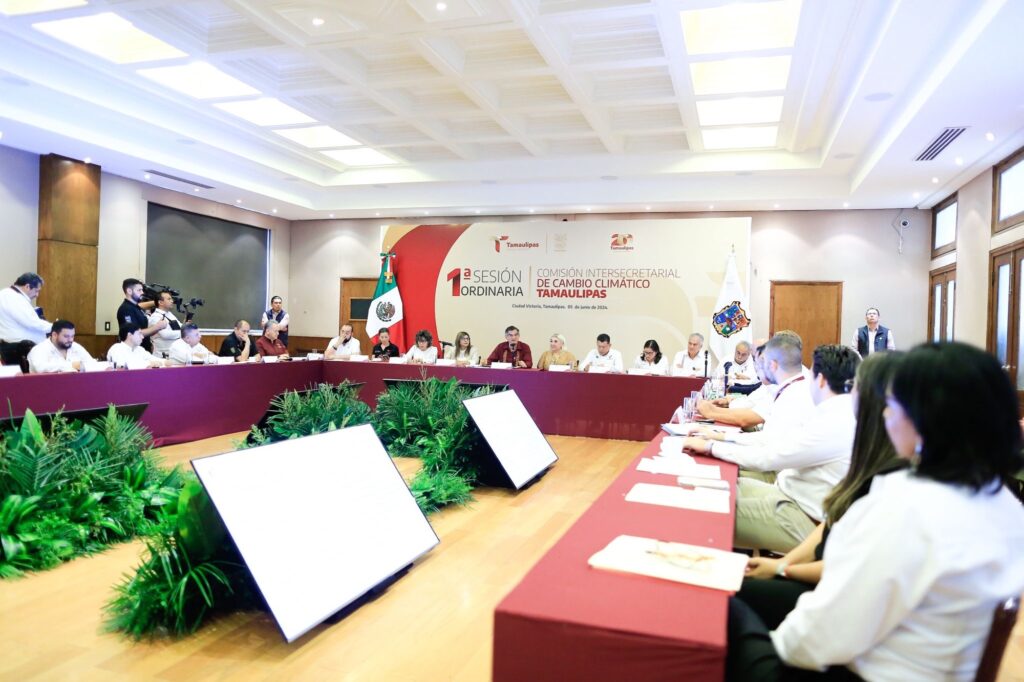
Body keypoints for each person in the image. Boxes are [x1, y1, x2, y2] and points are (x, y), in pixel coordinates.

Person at [728, 342, 1024, 681]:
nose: (885, 414)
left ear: (925, 420)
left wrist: (771, 633)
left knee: (721, 604)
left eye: (893, 405)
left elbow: (811, 641)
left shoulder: (906, 504)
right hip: (932, 666)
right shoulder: (1007, 506)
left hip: (864, 669)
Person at [735, 352, 906, 630]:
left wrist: (784, 569)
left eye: (855, 387)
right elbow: (831, 526)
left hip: (838, 604)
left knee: (731, 597)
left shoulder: (893, 474)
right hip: (822, 571)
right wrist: (782, 566)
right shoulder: (870, 449)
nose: (850, 395)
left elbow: (850, 569)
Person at [685, 340, 856, 552]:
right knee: (716, 485)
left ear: (820, 380)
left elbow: (770, 456)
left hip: (802, 515)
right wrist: (717, 440)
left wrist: (711, 447)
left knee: (707, 508)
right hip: (790, 494)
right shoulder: (837, 412)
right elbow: (774, 442)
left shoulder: (832, 420)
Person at [0, 272, 53, 371]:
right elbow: (31, 322)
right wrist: (54, 327)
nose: (37, 295)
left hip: (13, 347)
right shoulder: (13, 297)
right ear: (27, 286)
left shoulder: (6, 294)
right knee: (25, 379)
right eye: (36, 291)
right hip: (20, 349)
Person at [27, 319, 93, 373]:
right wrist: (71, 365)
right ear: (54, 335)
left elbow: (92, 364)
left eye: (72, 336)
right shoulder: (39, 349)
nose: (70, 340)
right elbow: (40, 368)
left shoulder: (75, 346)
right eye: (66, 336)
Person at [117, 278, 164, 353]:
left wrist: (149, 342)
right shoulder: (126, 309)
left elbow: (143, 328)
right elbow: (133, 333)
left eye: (142, 290)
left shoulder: (136, 307)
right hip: (134, 351)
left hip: (143, 349)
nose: (142, 292)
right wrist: (157, 327)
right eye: (139, 290)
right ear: (129, 291)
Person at [148, 290, 183, 358]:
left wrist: (185, 328)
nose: (172, 301)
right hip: (162, 356)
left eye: (171, 299)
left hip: (174, 354)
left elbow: (181, 326)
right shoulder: (155, 317)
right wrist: (183, 333)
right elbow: (165, 334)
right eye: (169, 299)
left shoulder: (169, 314)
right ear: (160, 302)